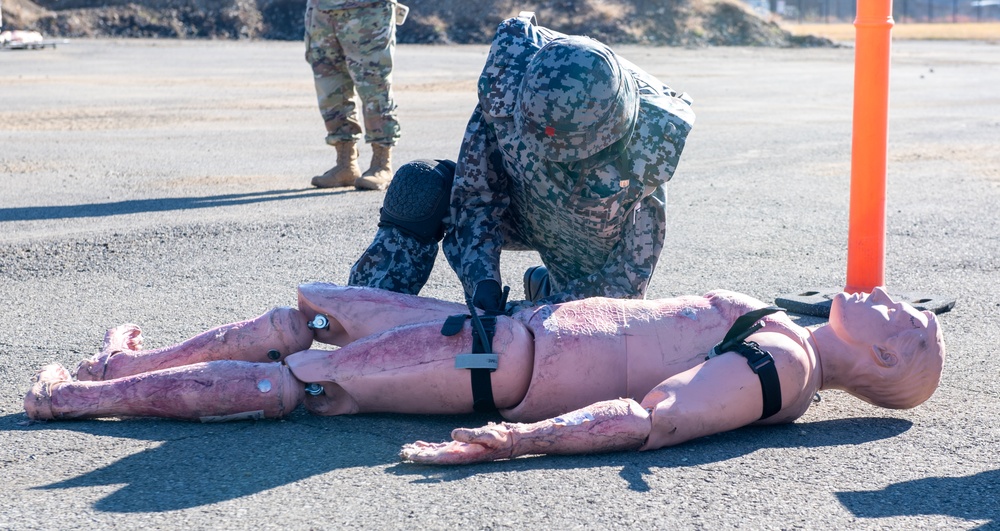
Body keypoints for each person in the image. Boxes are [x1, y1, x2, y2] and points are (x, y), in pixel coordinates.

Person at [24, 284, 944, 465]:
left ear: (885, 360)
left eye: (904, 322)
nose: (896, 301)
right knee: (304, 314)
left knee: (301, 376)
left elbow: (656, 417)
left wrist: (513, 441)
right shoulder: (785, 321)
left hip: (499, 365)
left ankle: (69, 397)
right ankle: (128, 363)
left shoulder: (779, 367)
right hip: (506, 330)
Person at [348, 13, 696, 314]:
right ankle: (369, 307)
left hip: (581, 239)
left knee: (586, 326)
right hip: (516, 207)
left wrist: (527, 312)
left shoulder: (647, 152)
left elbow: (626, 285)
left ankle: (551, 290)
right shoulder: (510, 83)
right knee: (421, 184)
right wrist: (482, 280)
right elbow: (474, 196)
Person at [306, 0, 404, 191]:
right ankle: (345, 164)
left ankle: (381, 163)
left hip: (368, 9)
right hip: (322, 10)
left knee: (373, 85)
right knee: (330, 88)